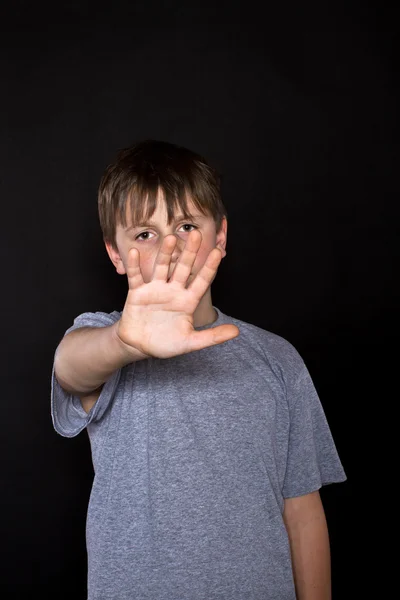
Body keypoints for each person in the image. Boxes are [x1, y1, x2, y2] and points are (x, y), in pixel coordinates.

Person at [51, 139, 346, 600]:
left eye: (187, 225)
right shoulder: (103, 339)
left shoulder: (278, 360)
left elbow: (303, 510)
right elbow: (70, 368)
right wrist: (124, 342)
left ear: (220, 237)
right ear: (115, 253)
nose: (170, 247)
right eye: (144, 234)